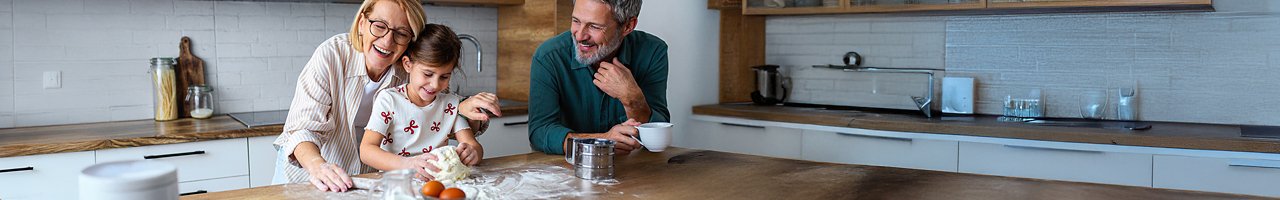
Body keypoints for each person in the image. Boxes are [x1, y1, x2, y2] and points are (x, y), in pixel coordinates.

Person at [272, 0, 501, 192]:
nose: (387, 41)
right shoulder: (332, 55)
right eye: (379, 26)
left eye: (401, 33)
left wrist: (463, 109)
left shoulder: (410, 69)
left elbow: (437, 114)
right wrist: (317, 165)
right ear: (362, 23)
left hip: (370, 178)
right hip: (314, 171)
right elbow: (303, 129)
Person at [528, 0, 669, 156]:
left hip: (635, 169)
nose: (580, 35)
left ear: (628, 26)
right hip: (564, 171)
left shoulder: (652, 52)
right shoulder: (549, 56)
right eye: (576, 21)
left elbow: (658, 133)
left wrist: (633, 99)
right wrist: (601, 142)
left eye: (594, 26)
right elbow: (539, 133)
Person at [359, 24, 487, 181]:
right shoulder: (389, 100)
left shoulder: (451, 104)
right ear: (408, 65)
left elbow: (473, 145)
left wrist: (472, 153)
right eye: (428, 74)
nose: (434, 85)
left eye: (444, 77)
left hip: (439, 185)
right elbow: (366, 151)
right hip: (397, 185)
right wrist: (409, 163)